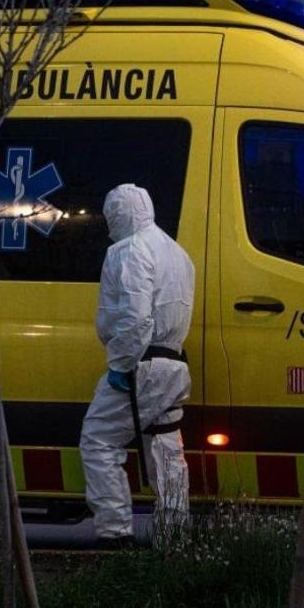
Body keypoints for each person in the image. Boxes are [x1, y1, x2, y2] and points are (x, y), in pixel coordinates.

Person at [79, 183, 195, 548]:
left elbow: (135, 316)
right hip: (173, 365)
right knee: (165, 447)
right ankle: (174, 539)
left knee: (98, 439)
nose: (109, 222)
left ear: (121, 214)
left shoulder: (128, 251)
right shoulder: (177, 253)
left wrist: (121, 364)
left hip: (140, 363)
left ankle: (114, 533)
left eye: (112, 215)